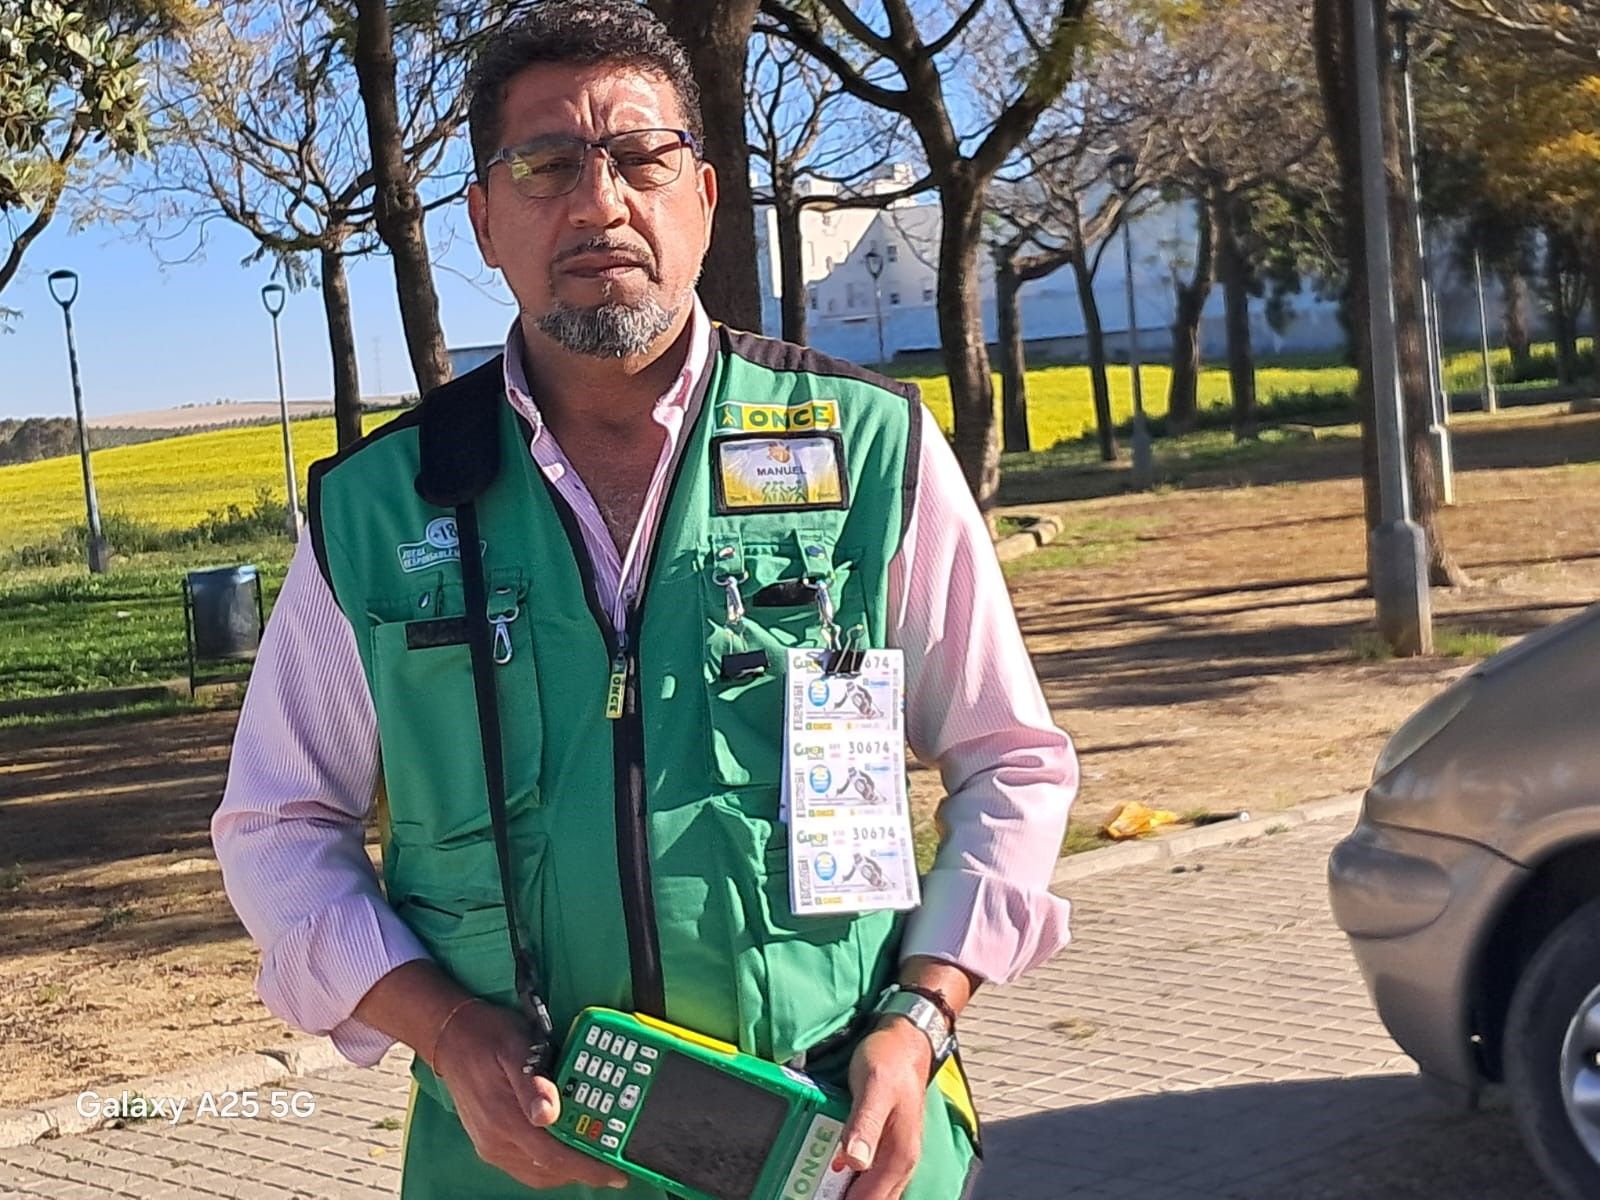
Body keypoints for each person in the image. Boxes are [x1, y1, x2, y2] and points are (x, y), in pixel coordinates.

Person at [212, 4, 1077, 1198]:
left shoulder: (873, 449)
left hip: (837, 1145)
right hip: (516, 1161)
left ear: (705, 197)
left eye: (640, 158)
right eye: (546, 165)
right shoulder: (379, 510)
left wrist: (919, 1017)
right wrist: (449, 1034)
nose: (599, 202)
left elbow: (1011, 764)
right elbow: (278, 828)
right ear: (482, 217)